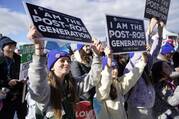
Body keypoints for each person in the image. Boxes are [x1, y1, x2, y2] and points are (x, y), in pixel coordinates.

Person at [27, 26, 102, 119]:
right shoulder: (46, 88)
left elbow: (93, 78)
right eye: (62, 61)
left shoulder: (72, 84)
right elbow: (37, 84)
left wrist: (97, 55)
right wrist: (39, 50)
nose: (66, 63)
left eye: (68, 61)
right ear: (52, 67)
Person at [125, 18, 164, 119]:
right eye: (143, 53)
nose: (146, 53)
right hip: (136, 109)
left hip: (148, 107)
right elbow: (139, 53)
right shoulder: (130, 67)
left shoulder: (146, 66)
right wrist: (149, 30)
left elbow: (155, 50)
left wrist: (160, 31)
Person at [93, 47, 148, 119]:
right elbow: (105, 85)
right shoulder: (100, 89)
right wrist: (109, 60)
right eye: (111, 67)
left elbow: (132, 76)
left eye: (116, 67)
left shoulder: (118, 83)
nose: (115, 70)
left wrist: (143, 61)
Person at [0, 36, 27, 119]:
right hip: (5, 96)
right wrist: (7, 82)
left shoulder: (21, 59)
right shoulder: (0, 60)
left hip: (21, 94)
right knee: (6, 115)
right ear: (3, 48)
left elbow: (26, 72)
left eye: (13, 46)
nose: (11, 49)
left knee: (23, 115)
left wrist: (25, 79)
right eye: (9, 47)